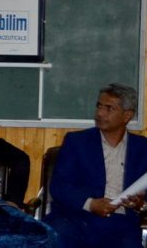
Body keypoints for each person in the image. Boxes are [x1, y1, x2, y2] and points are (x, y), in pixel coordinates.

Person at [45, 83, 147, 248]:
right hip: (77, 217)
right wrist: (91, 204)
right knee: (59, 234)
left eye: (109, 108)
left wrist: (140, 204)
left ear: (127, 115)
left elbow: (143, 197)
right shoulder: (76, 142)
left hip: (121, 221)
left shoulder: (142, 148)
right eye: (99, 106)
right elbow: (60, 186)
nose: (100, 113)